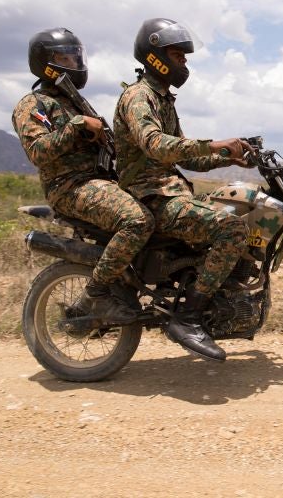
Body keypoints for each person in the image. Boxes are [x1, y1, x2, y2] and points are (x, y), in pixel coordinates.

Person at [113, 18, 251, 361]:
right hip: (151, 195)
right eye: (178, 56)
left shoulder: (162, 99)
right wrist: (214, 143)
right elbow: (157, 145)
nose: (184, 63)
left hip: (171, 191)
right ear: (156, 57)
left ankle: (209, 294)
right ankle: (188, 318)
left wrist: (228, 156)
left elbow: (185, 156)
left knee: (239, 208)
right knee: (232, 229)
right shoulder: (138, 97)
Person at [13, 27, 154, 325]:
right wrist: (78, 126)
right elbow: (37, 151)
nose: (75, 64)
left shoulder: (73, 101)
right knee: (137, 220)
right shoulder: (33, 104)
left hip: (100, 183)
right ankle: (97, 295)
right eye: (66, 58)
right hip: (70, 186)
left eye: (76, 58)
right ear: (46, 62)